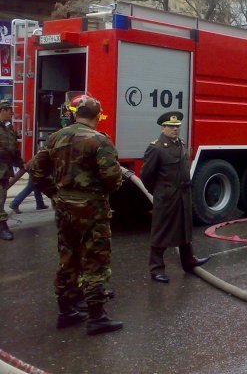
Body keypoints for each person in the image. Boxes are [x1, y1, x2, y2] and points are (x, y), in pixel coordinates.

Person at [31, 95, 124, 335]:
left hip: (64, 209)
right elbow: (113, 178)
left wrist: (55, 193)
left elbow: (36, 170)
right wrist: (101, 192)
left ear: (76, 114)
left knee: (68, 257)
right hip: (92, 209)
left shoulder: (55, 137)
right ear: (96, 116)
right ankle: (97, 317)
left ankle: (66, 311)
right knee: (95, 260)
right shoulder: (99, 141)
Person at [140, 111, 210, 284]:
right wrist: (160, 192)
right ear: (163, 127)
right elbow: (147, 175)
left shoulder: (180, 144)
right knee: (162, 231)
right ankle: (156, 269)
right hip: (167, 196)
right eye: (171, 127)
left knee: (185, 228)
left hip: (183, 194)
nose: (175, 130)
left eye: (177, 127)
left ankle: (189, 261)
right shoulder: (156, 148)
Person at [0, 102, 24, 241]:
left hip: (4, 169)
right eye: (10, 111)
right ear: (3, 110)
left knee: (1, 197)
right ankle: (2, 227)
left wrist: (21, 163)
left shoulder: (9, 128)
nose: (12, 114)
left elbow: (13, 148)